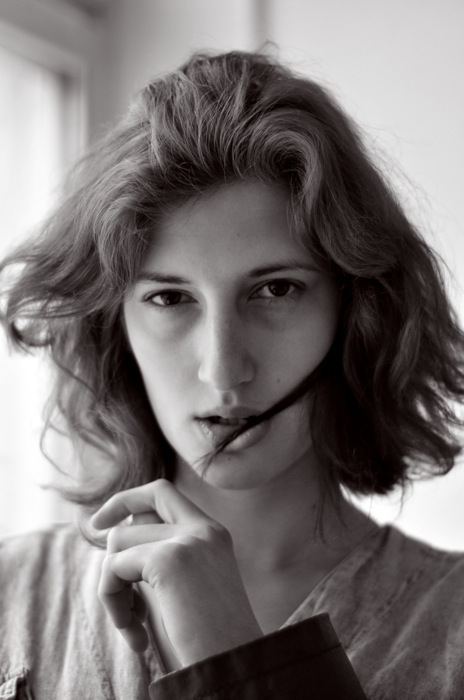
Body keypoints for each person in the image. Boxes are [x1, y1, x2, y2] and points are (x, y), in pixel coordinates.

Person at [1, 49, 463, 700]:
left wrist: (237, 663)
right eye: (169, 298)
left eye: (276, 290)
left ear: (358, 312)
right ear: (113, 325)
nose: (223, 369)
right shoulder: (10, 597)